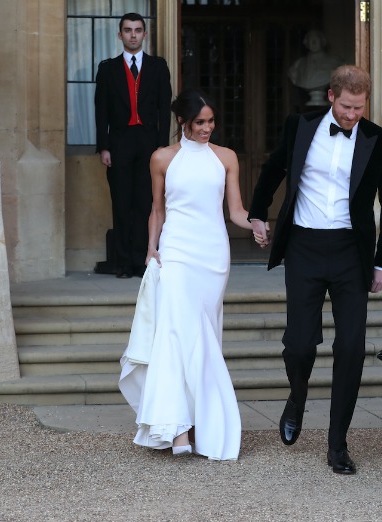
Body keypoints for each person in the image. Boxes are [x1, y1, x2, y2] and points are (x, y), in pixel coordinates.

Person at [248, 65, 382, 475]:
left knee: (350, 349)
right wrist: (257, 214)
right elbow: (273, 168)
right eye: (347, 106)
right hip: (304, 246)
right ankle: (297, 397)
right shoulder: (300, 126)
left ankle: (338, 445)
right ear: (332, 96)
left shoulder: (380, 141)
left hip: (352, 253)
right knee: (299, 344)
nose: (353, 114)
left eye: (360, 107)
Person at [118, 89, 264, 460]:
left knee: (205, 336)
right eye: (200, 122)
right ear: (183, 122)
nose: (207, 128)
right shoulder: (162, 158)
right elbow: (158, 210)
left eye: (211, 121)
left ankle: (197, 422)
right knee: (175, 333)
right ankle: (178, 428)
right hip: (176, 252)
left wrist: (256, 224)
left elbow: (235, 210)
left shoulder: (226, 158)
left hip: (213, 256)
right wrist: (152, 248)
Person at [95, 12, 172, 278]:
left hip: (150, 144)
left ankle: (143, 259)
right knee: (121, 202)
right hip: (119, 142)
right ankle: (123, 263)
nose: (133, 35)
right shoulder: (107, 68)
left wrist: (163, 147)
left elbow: (165, 109)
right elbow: (100, 110)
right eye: (127, 30)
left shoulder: (158, 67)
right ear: (120, 35)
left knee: (146, 203)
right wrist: (104, 146)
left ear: (144, 34)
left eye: (138, 30)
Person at [288, 30, 342, 105]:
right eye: (310, 39)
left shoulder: (334, 62)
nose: (313, 42)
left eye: (316, 39)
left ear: (322, 41)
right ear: (306, 43)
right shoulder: (298, 65)